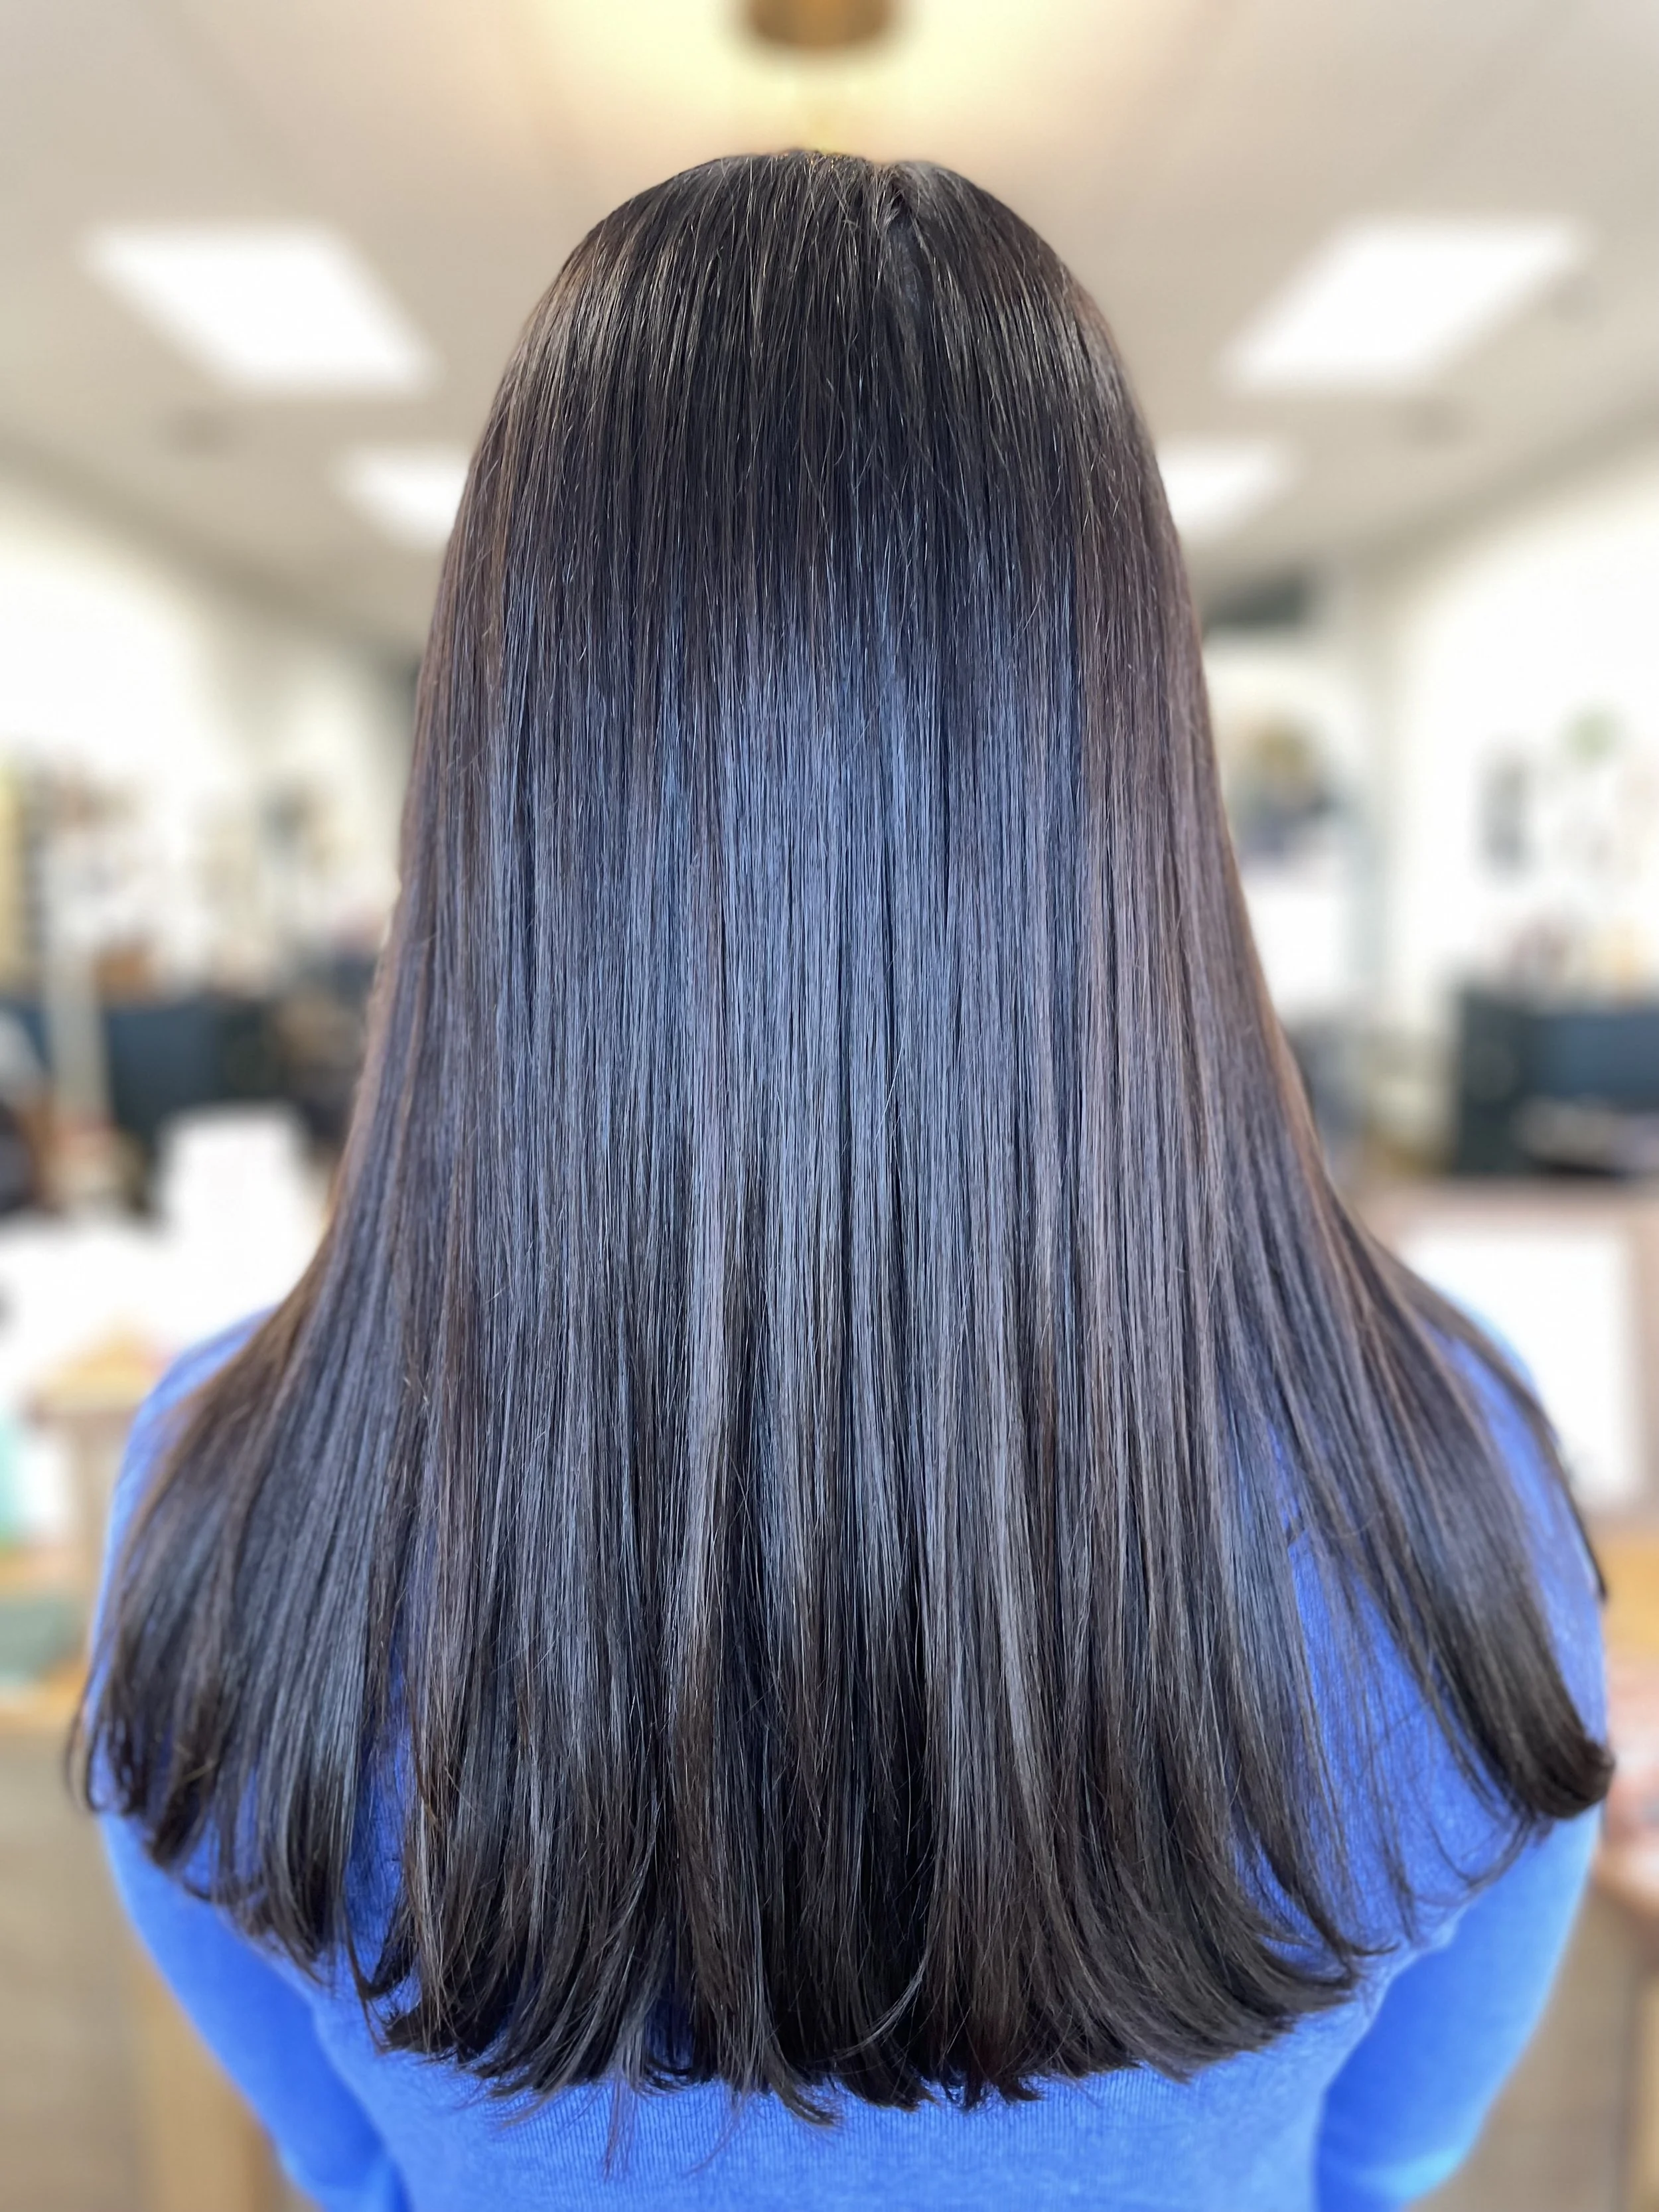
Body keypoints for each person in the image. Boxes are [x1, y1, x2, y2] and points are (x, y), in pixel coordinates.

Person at [77, 153, 1609, 2211]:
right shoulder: (1445, 1482)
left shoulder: (217, 1503)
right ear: (1132, 781)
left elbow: (349, 2162)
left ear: (511, 787)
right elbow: (1384, 2155)